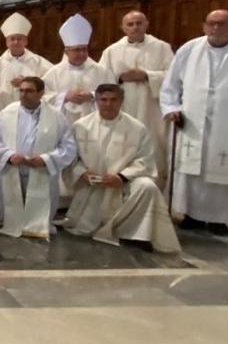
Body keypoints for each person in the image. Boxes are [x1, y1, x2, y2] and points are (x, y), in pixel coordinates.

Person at [160, 9, 228, 234]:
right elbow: (170, 84)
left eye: (222, 24)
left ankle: (220, 218)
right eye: (211, 23)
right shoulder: (189, 49)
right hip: (191, 121)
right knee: (192, 171)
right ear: (204, 26)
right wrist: (172, 108)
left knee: (224, 169)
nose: (216, 28)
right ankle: (190, 214)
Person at [65, 85, 179, 253]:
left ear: (121, 101)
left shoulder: (137, 128)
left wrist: (122, 177)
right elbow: (70, 158)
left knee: (147, 186)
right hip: (93, 185)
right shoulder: (80, 126)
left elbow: (145, 160)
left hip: (123, 184)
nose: (108, 104)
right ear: (96, 101)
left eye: (113, 100)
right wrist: (82, 173)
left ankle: (136, 234)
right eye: (103, 100)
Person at [0, 77, 77, 239]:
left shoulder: (55, 116)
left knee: (38, 211)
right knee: (8, 212)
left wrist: (46, 159)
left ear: (41, 93)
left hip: (40, 170)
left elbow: (68, 147)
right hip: (12, 168)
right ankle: (9, 219)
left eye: (29, 91)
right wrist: (9, 155)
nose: (24, 94)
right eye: (21, 90)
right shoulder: (8, 112)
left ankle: (36, 223)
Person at [42, 13, 116, 198]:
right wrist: (64, 96)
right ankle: (62, 196)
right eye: (76, 50)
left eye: (84, 49)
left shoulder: (101, 71)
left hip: (93, 124)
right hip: (64, 123)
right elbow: (43, 98)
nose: (81, 53)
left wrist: (92, 96)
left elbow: (113, 92)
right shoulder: (53, 73)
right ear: (66, 51)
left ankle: (90, 195)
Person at [99, 11, 174, 176]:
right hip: (124, 107)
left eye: (139, 23)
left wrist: (147, 75)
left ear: (147, 24)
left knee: (153, 144)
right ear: (123, 28)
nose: (135, 27)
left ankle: (154, 186)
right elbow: (102, 81)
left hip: (151, 109)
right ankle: (120, 179)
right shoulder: (111, 51)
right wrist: (119, 78)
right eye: (130, 24)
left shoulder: (161, 47)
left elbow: (174, 77)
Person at [0, 13, 54, 110]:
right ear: (7, 42)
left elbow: (50, 86)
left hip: (33, 112)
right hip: (4, 112)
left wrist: (28, 83)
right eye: (12, 39)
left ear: (26, 41)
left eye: (19, 38)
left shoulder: (39, 63)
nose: (16, 42)